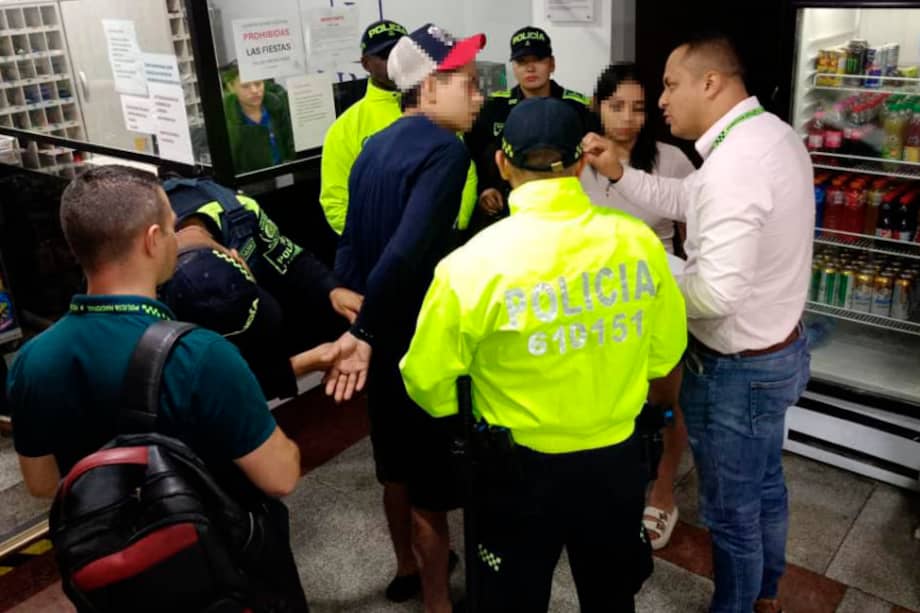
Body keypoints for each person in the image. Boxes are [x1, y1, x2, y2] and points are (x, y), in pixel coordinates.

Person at [400, 97, 687, 613]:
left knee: (512, 601)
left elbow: (425, 378)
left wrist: (467, 415)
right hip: (615, 462)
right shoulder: (637, 243)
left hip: (515, 473)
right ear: (581, 163)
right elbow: (663, 354)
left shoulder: (470, 266)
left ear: (503, 164)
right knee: (611, 597)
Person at [583, 32, 813, 613]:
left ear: (710, 83)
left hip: (739, 369)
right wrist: (619, 174)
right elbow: (689, 199)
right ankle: (765, 594)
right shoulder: (764, 135)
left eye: (669, 85)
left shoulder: (737, 163)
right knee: (765, 487)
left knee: (731, 514)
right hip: (777, 350)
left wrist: (638, 255)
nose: (660, 100)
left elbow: (712, 293)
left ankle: (737, 605)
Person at [7, 165, 307, 609]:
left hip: (120, 581)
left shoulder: (34, 360)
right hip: (220, 572)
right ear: (151, 240)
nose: (174, 238)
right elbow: (280, 477)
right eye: (170, 228)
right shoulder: (201, 353)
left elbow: (41, 481)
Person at [327, 23, 486, 613]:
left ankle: (403, 568)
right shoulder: (445, 151)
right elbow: (407, 249)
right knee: (431, 486)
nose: (478, 96)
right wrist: (366, 331)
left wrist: (351, 307)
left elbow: (353, 240)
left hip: (379, 336)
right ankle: (439, 604)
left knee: (394, 465)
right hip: (414, 341)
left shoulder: (375, 145)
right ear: (429, 86)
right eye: (466, 84)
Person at [581, 62, 696, 551]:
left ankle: (664, 489)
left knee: (665, 398)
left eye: (638, 107)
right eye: (616, 106)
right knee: (609, 400)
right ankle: (608, 486)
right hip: (596, 301)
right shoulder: (578, 162)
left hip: (658, 294)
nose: (628, 118)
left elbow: (695, 232)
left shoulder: (670, 160)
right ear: (597, 107)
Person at [158, 178, 361, 400]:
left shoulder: (241, 212)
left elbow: (289, 259)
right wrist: (300, 366)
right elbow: (209, 394)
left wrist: (332, 289)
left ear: (236, 255)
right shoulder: (136, 288)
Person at [319, 20, 479, 237]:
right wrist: (379, 243)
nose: (396, 60)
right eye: (386, 55)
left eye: (401, 51)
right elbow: (336, 201)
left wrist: (454, 225)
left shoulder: (437, 110)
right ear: (366, 64)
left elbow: (465, 172)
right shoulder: (345, 128)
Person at [464, 26, 595, 234]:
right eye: (522, 62)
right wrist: (485, 189)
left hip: (564, 212)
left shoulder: (577, 107)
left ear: (552, 64)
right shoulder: (493, 108)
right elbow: (474, 155)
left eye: (538, 60)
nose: (530, 68)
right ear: (513, 67)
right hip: (504, 212)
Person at [222, 62, 296, 173]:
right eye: (245, 86)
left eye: (258, 83)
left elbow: (289, 145)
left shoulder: (276, 106)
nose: (254, 91)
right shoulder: (228, 119)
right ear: (231, 87)